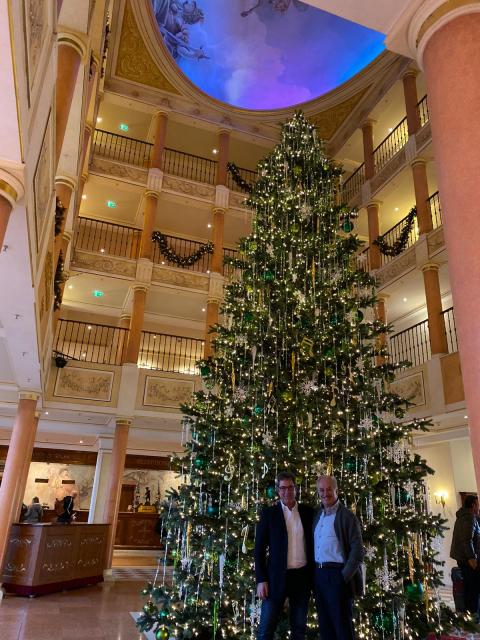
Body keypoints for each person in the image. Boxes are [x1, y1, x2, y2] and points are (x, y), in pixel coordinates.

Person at [254, 471, 314, 640]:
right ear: (278, 490)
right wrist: (261, 580)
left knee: (299, 629)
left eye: (290, 487)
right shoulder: (269, 514)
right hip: (275, 578)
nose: (287, 491)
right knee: (266, 628)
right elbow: (259, 549)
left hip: (301, 578)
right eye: (283, 488)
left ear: (296, 489)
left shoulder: (308, 512)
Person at [313, 475, 364, 640]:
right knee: (325, 627)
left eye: (329, 489)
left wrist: (343, 577)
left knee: (342, 628)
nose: (325, 493)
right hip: (319, 576)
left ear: (336, 491)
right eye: (321, 490)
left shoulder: (347, 517)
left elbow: (358, 551)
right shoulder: (317, 515)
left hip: (337, 575)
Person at [450, 494, 480, 616]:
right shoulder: (469, 518)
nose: (478, 507)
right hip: (467, 559)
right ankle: (472, 615)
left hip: (463, 558)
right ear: (473, 505)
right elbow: (467, 540)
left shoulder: (463, 517)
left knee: (469, 586)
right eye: (477, 504)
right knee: (473, 587)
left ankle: (468, 614)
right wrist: (472, 559)